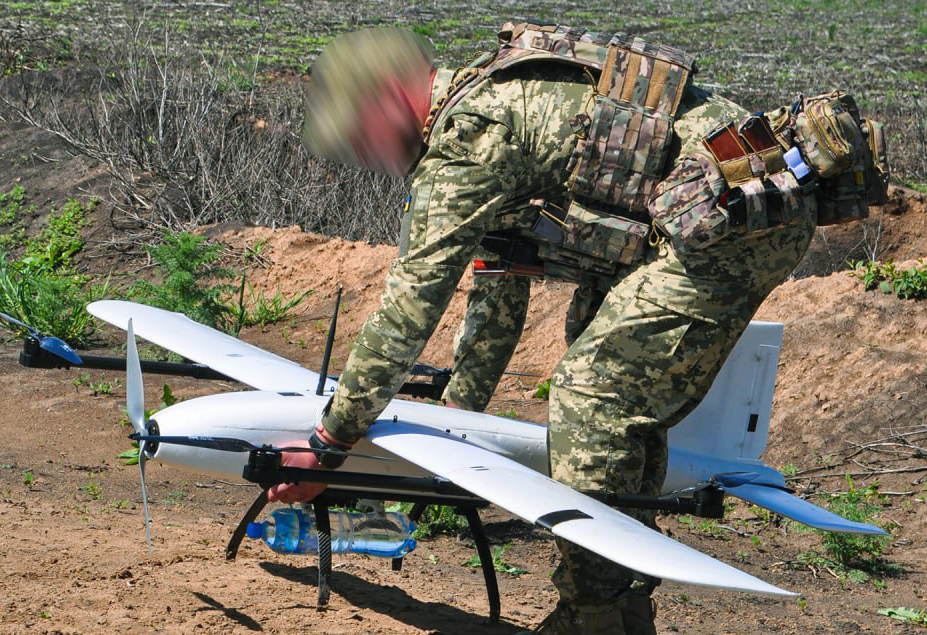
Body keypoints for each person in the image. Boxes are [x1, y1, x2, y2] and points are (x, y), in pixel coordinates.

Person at [267, 24, 823, 635]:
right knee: (612, 390)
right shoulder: (487, 110)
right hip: (730, 207)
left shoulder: (467, 139)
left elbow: (410, 307)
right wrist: (458, 416)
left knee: (593, 394)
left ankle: (593, 618)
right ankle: (623, 606)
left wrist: (329, 442)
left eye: (359, 134)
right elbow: (497, 292)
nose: (364, 152)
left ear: (389, 98)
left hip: (731, 220)